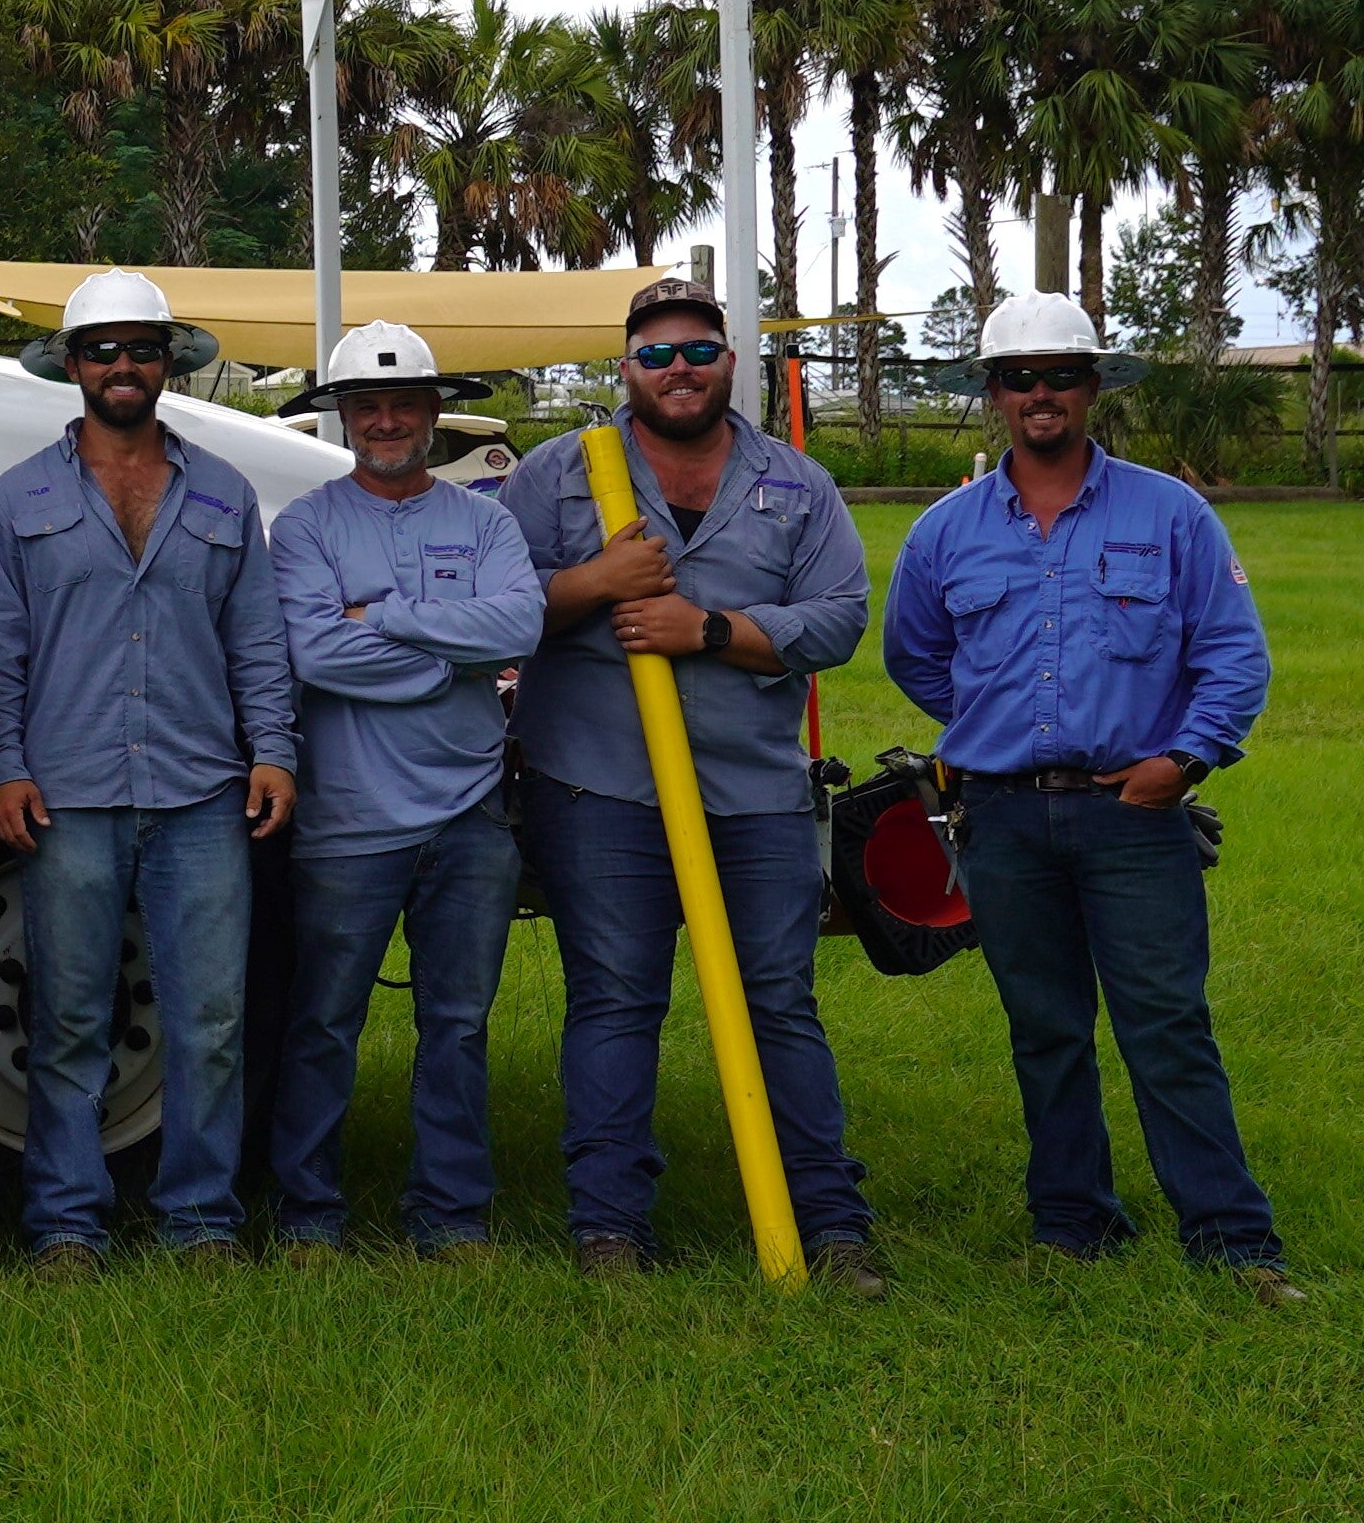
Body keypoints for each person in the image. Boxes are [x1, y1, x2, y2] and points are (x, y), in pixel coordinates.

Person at [884, 293, 1296, 1304]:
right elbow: (916, 655)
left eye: (1059, 374)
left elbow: (1233, 654)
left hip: (1134, 812)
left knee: (1164, 1022)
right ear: (990, 393)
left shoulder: (1169, 513)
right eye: (1018, 376)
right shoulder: (944, 531)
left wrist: (1184, 758)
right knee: (1043, 1025)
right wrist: (1001, 735)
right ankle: (1071, 1223)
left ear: (1092, 387)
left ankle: (1232, 1241)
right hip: (1002, 818)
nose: (1039, 393)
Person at [497, 273, 883, 1293]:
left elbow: (839, 614)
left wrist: (709, 630)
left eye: (697, 350)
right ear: (624, 367)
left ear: (728, 362)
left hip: (750, 789)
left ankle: (831, 1226)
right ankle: (609, 1229)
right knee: (615, 999)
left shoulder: (795, 483)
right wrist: (593, 586)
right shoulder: (556, 473)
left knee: (776, 1003)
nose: (677, 368)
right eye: (654, 353)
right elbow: (492, 607)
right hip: (596, 786)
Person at [0, 270, 294, 1274]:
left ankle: (198, 1219)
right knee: (66, 1016)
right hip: (64, 795)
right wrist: (0, 766)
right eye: (101, 348)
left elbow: (256, 640)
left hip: (201, 792)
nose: (122, 365)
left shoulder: (223, 491)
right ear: (70, 365)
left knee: (209, 1016)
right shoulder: (17, 496)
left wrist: (273, 749)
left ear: (168, 363)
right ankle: (66, 1222)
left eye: (140, 348)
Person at [259, 321, 539, 1264]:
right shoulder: (303, 525)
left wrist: (383, 617)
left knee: (456, 1026)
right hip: (346, 821)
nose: (384, 420)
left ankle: (450, 1215)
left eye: (402, 403)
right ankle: (306, 1215)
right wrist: (444, 659)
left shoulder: (487, 521)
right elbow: (310, 650)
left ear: (432, 412)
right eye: (365, 405)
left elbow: (520, 623)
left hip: (469, 817)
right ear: (342, 416)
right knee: (321, 1023)